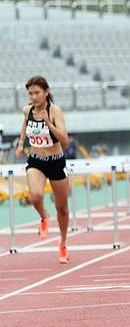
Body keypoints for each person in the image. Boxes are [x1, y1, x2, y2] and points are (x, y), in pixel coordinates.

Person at [15, 76, 71, 263]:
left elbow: (65, 140)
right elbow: (25, 124)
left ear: (46, 92)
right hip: (36, 160)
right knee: (35, 196)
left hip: (56, 161)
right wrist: (21, 143)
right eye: (30, 93)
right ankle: (44, 216)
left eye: (37, 93)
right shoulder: (27, 110)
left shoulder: (54, 111)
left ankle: (62, 243)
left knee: (62, 207)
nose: (33, 97)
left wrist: (48, 123)